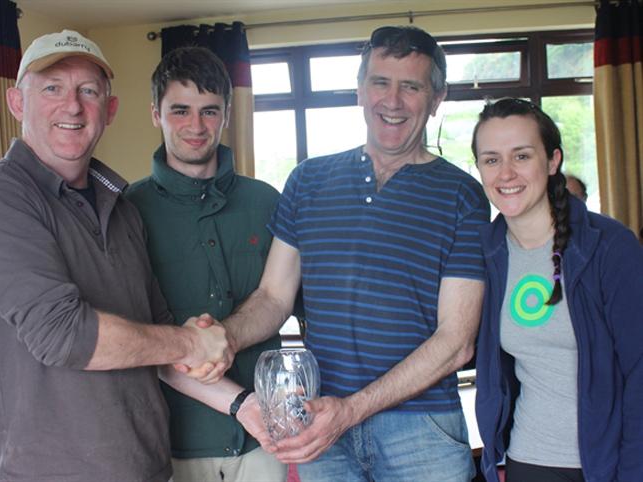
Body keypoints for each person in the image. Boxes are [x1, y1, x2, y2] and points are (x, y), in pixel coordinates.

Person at [211, 25, 491, 482]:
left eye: (412, 86)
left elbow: (456, 341)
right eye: (380, 82)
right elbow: (274, 297)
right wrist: (222, 340)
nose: (393, 100)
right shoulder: (308, 181)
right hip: (322, 425)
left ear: (437, 98)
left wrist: (352, 410)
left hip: (421, 430)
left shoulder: (462, 195)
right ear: (361, 90)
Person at [0, 30, 230, 481]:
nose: (72, 106)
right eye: (52, 88)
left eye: (89, 91)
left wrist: (248, 408)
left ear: (110, 110)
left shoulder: (124, 210)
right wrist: (193, 341)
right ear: (17, 103)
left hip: (148, 469)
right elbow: (62, 334)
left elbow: (161, 341)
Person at [126, 46, 286, 482]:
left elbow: (295, 303)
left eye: (209, 111)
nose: (195, 126)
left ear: (228, 114)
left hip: (262, 440)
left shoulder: (268, 203)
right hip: (170, 439)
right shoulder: (125, 211)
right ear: (155, 114)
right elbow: (128, 332)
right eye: (180, 110)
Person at [471, 98, 643, 482]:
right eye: (492, 159)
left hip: (607, 464)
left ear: (552, 161)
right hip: (528, 461)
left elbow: (639, 371)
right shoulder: (485, 252)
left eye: (522, 155)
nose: (506, 173)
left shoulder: (609, 246)